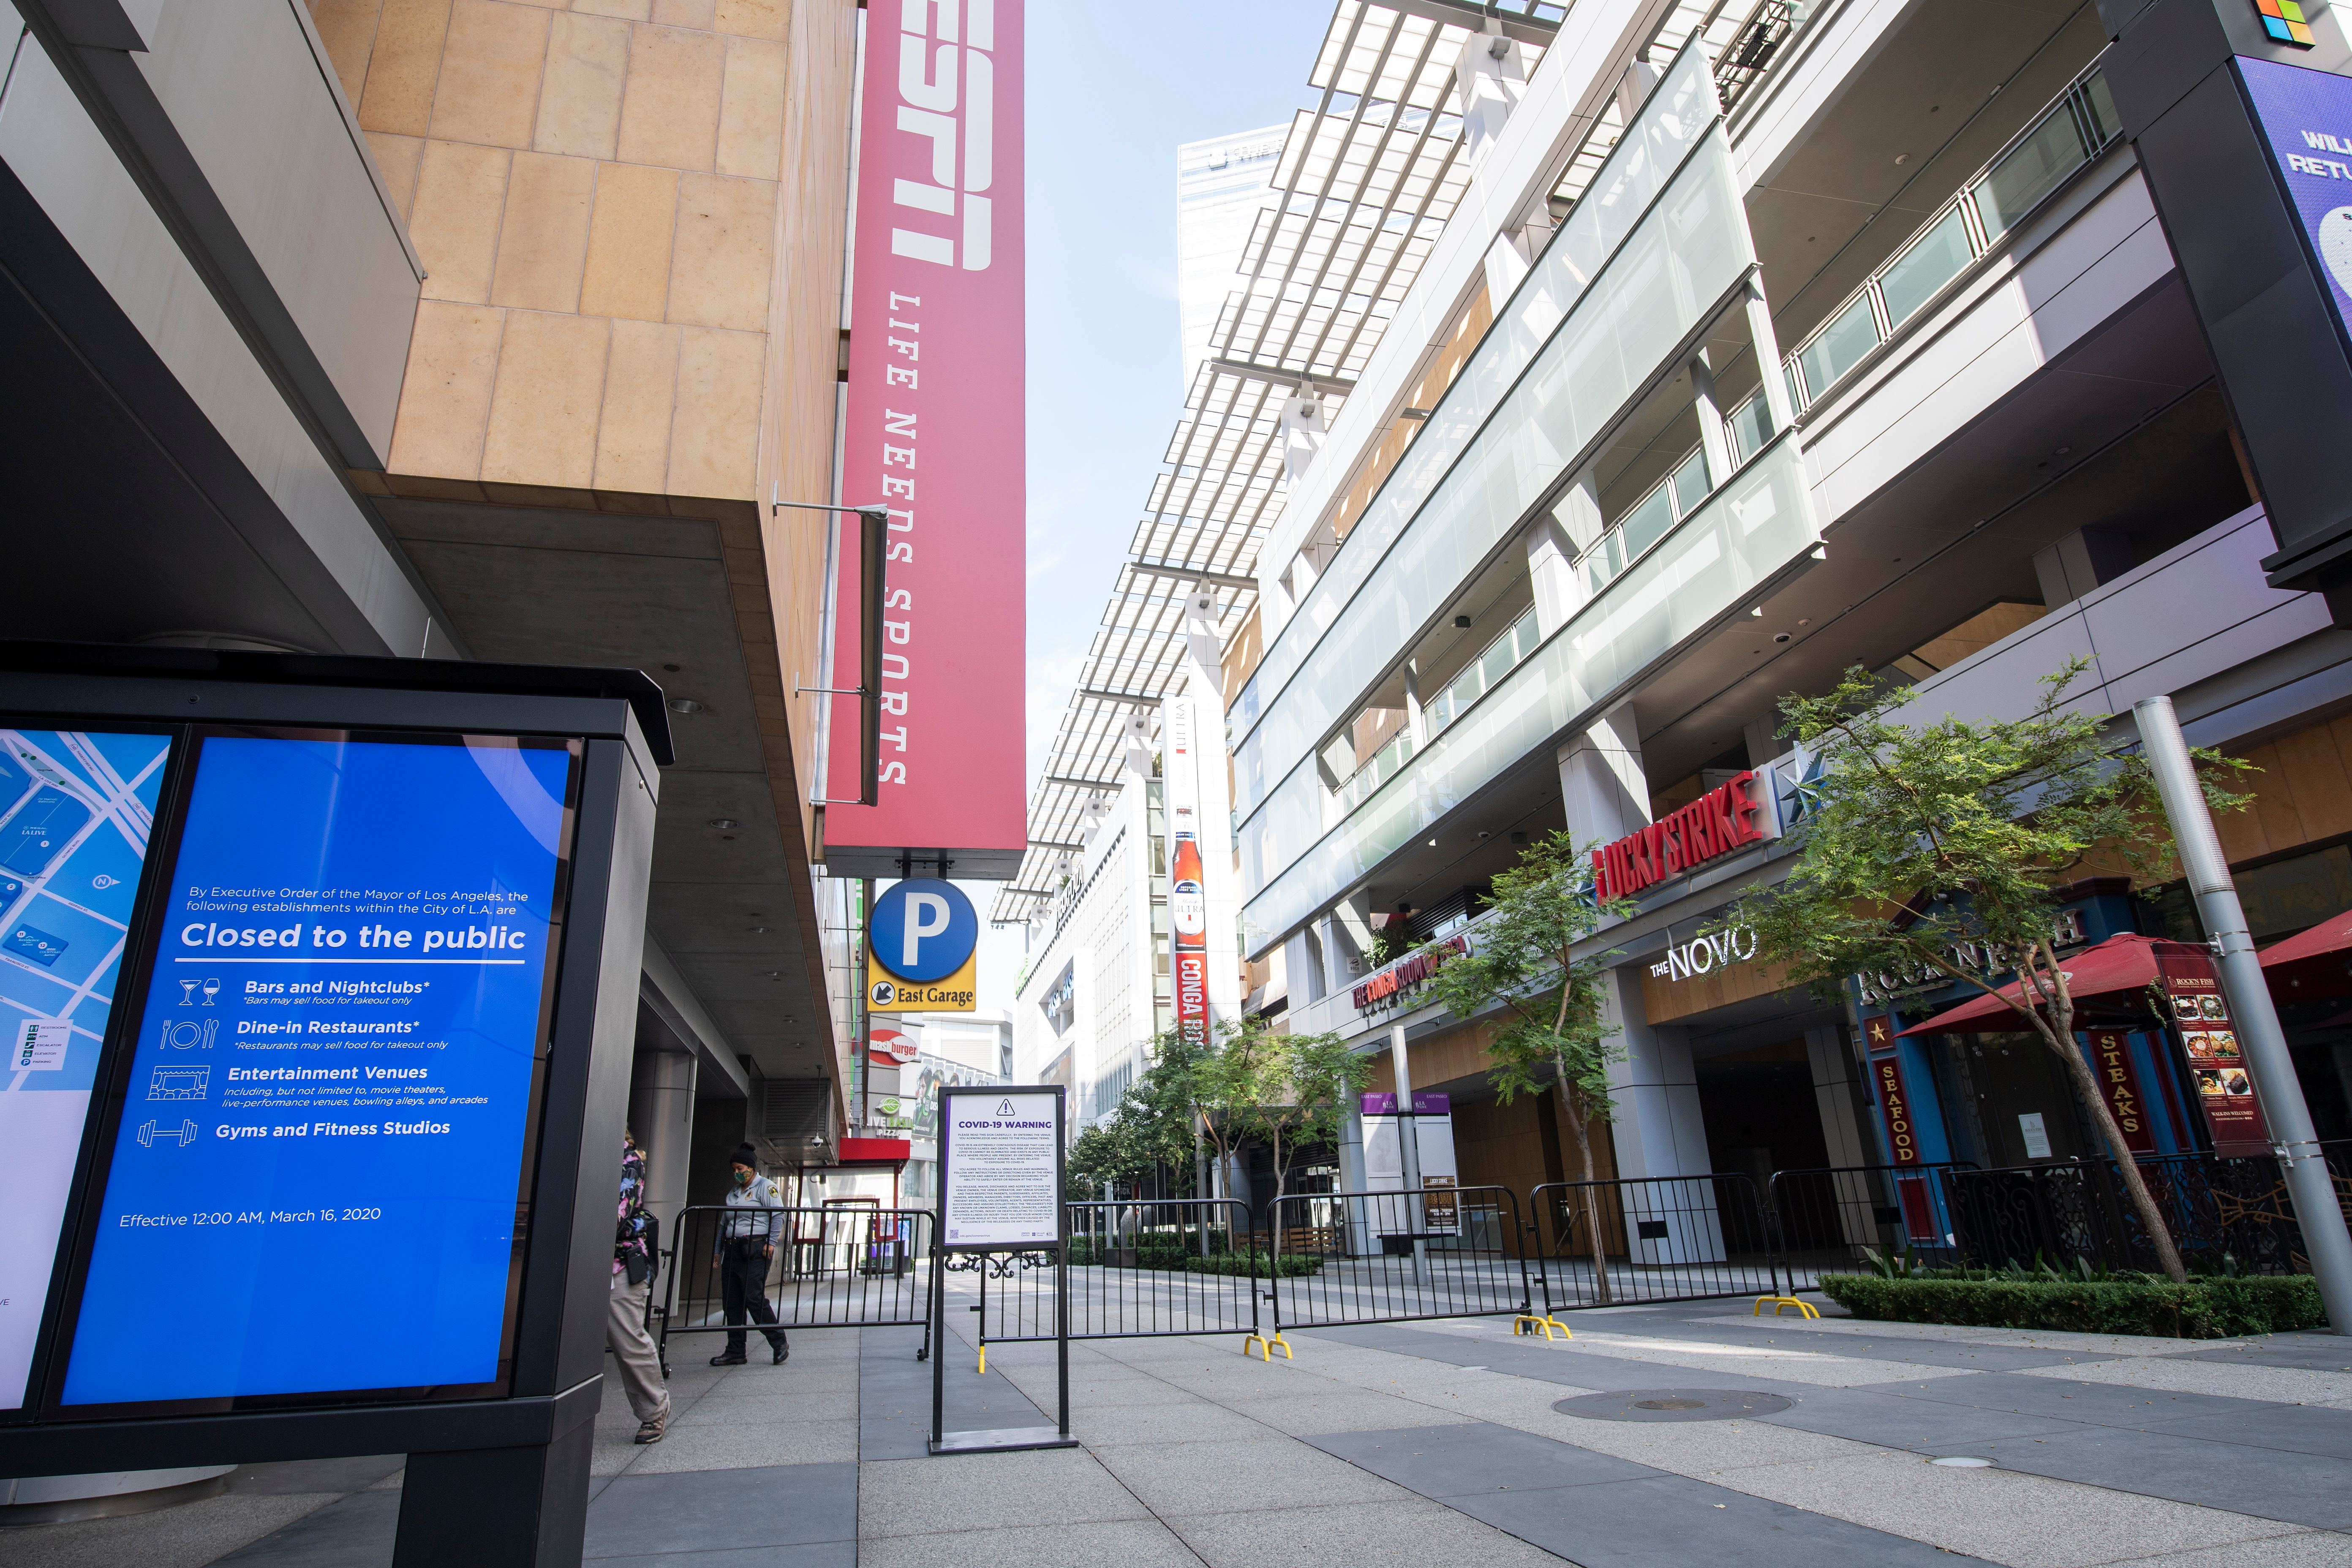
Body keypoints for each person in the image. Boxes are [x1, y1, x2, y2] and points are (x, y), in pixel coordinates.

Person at [608, 1127, 670, 1443]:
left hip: (618, 1262)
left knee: (627, 1339)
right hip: (580, 1258)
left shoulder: (627, 1160)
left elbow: (617, 1216)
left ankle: (653, 1412)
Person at [711, 1142, 788, 1365]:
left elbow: (779, 1214)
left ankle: (779, 1342)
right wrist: (718, 1250)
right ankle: (735, 1350)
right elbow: (723, 1224)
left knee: (753, 1298)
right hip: (733, 1249)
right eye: (734, 1170)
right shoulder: (734, 1193)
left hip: (756, 1249)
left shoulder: (768, 1187)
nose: (737, 1173)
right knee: (732, 1302)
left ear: (752, 1168)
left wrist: (771, 1243)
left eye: (740, 1169)